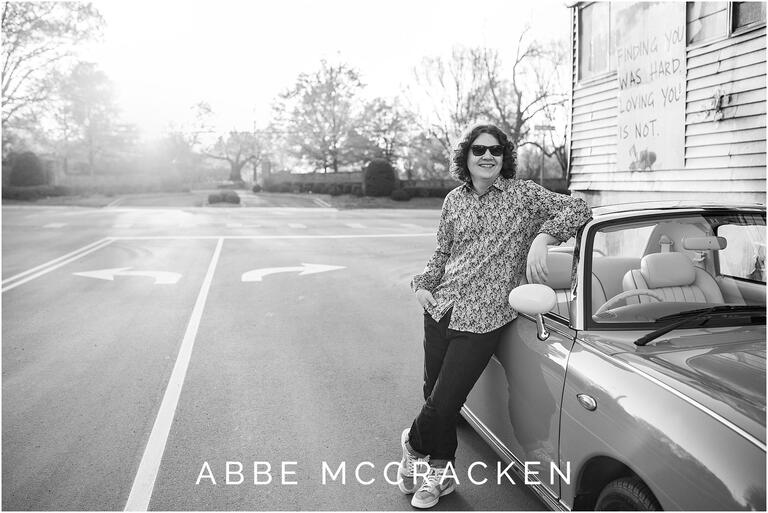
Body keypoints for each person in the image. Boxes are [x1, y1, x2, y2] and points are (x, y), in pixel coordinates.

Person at [398, 123, 592, 509]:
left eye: (496, 151)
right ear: (465, 157)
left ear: (504, 158)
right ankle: (441, 475)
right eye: (479, 150)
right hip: (440, 308)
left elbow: (580, 207)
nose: (488, 156)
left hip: (485, 317)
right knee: (439, 399)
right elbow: (443, 252)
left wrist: (542, 238)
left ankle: (411, 443)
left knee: (445, 399)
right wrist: (423, 286)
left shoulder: (523, 195)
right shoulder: (455, 199)